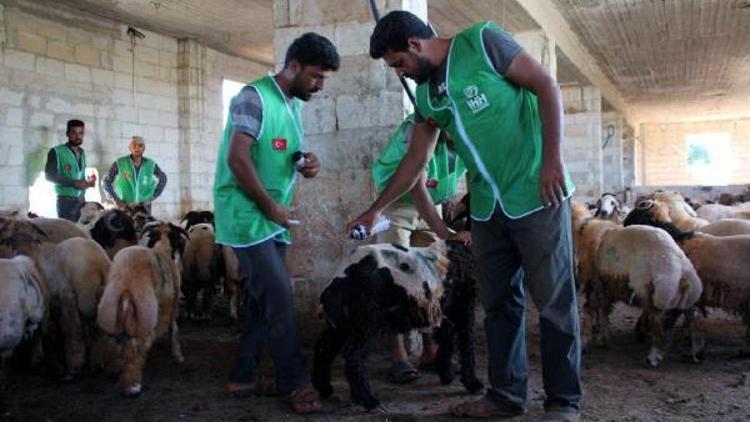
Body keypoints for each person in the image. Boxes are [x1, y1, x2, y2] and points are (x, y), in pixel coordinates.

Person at [349, 11, 582, 421]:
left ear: (415, 45)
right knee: (498, 304)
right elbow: (415, 163)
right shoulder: (425, 98)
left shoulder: (484, 42)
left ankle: (563, 402)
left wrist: (553, 160)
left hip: (535, 192)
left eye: (398, 63)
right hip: (487, 209)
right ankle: (506, 395)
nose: (398, 72)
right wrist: (376, 209)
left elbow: (546, 85)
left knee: (553, 303)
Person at [212, 32, 339, 414]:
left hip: (272, 215)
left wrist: (306, 162)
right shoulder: (253, 96)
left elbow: (281, 149)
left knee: (261, 299)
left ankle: (243, 375)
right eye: (316, 77)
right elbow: (238, 159)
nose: (319, 86)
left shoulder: (291, 103)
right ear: (294, 66)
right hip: (247, 213)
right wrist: (268, 205)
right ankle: (295, 381)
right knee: (280, 296)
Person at [372, 113, 468, 383]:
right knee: (396, 278)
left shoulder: (463, 136)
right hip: (396, 204)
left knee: (431, 281)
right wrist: (445, 232)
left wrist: (453, 206)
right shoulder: (420, 128)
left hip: (431, 208)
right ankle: (399, 355)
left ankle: (430, 350)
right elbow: (416, 185)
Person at [44, 119, 95, 222]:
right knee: (69, 234)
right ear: (67, 134)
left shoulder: (82, 153)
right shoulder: (56, 151)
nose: (78, 136)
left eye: (81, 133)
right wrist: (74, 183)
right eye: (74, 132)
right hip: (65, 201)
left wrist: (88, 182)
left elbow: (79, 176)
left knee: (81, 233)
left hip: (81, 201)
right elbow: (49, 176)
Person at [103, 136, 167, 211]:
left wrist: (154, 196)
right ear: (130, 148)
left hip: (144, 208)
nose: (137, 148)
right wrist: (116, 199)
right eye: (134, 146)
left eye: (140, 146)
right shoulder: (120, 163)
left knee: (144, 223)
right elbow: (106, 181)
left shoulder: (151, 165)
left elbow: (163, 178)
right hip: (125, 207)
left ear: (144, 148)